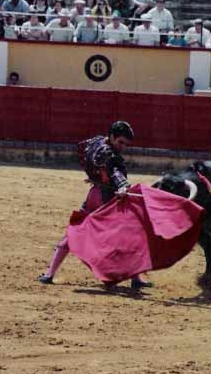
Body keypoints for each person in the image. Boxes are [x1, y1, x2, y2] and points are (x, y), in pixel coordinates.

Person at [38, 121, 153, 290]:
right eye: (120, 142)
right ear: (112, 136)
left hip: (93, 194)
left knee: (75, 230)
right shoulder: (111, 155)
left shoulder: (96, 141)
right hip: (107, 199)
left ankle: (49, 274)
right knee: (126, 236)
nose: (122, 147)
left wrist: (95, 176)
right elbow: (115, 172)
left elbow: (84, 152)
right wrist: (122, 187)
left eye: (126, 144)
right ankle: (136, 278)